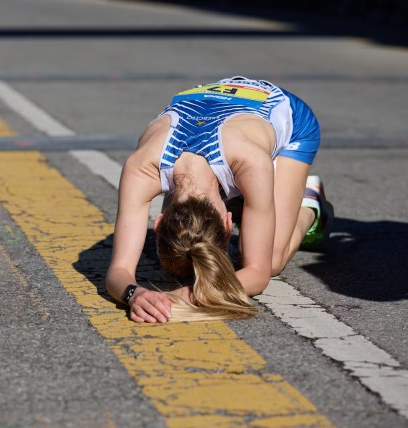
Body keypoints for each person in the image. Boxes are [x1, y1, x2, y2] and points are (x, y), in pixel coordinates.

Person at [105, 76, 333, 323]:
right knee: (178, 262)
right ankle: (251, 201)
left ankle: (309, 203)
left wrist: (184, 296)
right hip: (211, 101)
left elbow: (259, 273)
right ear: (159, 223)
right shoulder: (141, 167)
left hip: (287, 112)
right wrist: (134, 295)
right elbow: (119, 271)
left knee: (273, 260)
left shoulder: (252, 162)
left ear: (227, 222)